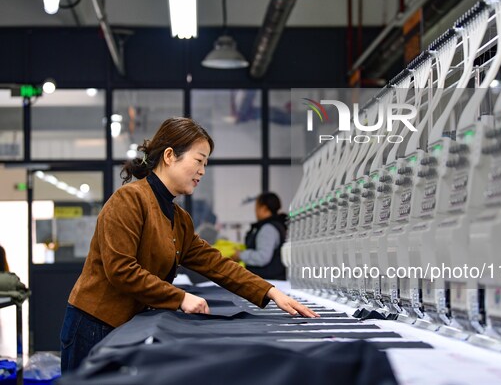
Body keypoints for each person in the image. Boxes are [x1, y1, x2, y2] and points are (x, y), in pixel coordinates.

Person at [60, 117, 318, 372]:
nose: (203, 171)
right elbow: (122, 270)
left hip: (126, 326)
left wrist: (271, 292)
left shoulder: (179, 219)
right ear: (170, 155)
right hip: (94, 325)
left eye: (205, 163)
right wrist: (180, 298)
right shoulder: (129, 200)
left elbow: (215, 263)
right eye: (199, 161)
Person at [232, 193, 287, 280]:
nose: (255, 211)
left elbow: (262, 257)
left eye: (257, 207)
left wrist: (240, 255)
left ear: (264, 208)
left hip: (269, 280)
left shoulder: (268, 229)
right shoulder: (277, 225)